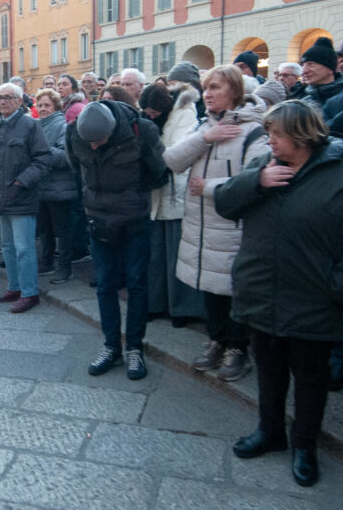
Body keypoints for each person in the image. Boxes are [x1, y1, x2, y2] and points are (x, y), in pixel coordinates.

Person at [215, 100, 343, 488]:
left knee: (310, 379)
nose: (269, 140)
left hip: (315, 301)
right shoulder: (263, 167)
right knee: (270, 371)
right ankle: (270, 431)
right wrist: (254, 183)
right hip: (262, 293)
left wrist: (341, 286)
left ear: (302, 135)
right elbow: (225, 202)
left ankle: (305, 443)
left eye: (276, 134)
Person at [165, 65, 269, 381]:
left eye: (216, 88)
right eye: (206, 88)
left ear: (234, 92)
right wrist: (206, 138)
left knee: (233, 292)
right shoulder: (203, 126)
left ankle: (237, 349)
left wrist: (209, 187)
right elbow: (171, 160)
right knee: (211, 289)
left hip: (232, 228)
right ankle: (217, 341)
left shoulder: (254, 131)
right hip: (201, 227)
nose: (208, 94)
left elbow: (257, 181)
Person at [68, 100, 169, 380]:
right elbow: (76, 169)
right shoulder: (74, 134)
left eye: (99, 141)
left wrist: (132, 197)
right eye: (89, 143)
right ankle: (111, 346)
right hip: (98, 220)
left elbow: (158, 171)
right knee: (105, 285)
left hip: (134, 220)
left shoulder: (141, 130)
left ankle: (134, 348)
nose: (95, 147)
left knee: (137, 284)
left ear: (112, 132)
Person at [142, 62, 204, 328]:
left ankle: (181, 309)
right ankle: (156, 303)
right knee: (156, 254)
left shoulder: (186, 110)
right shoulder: (156, 111)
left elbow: (178, 151)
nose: (151, 115)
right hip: (157, 192)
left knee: (177, 254)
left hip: (176, 190)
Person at [0, 83, 51, 312]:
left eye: (7, 97)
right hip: (1, 196)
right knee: (8, 247)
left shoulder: (30, 125)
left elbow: (43, 159)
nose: (2, 101)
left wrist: (22, 181)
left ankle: (30, 293)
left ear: (19, 100)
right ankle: (14, 287)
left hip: (22, 197)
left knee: (24, 248)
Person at [34, 88, 79, 284]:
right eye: (40, 105)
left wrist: (41, 149)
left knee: (63, 231)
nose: (42, 109)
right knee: (44, 228)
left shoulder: (63, 126)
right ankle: (46, 262)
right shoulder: (35, 126)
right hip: (41, 186)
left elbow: (66, 158)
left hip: (60, 187)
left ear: (56, 107)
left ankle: (65, 267)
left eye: (47, 105)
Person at [297, 37, 343, 108]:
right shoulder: (304, 105)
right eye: (302, 65)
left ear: (330, 69)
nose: (304, 71)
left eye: (311, 64)